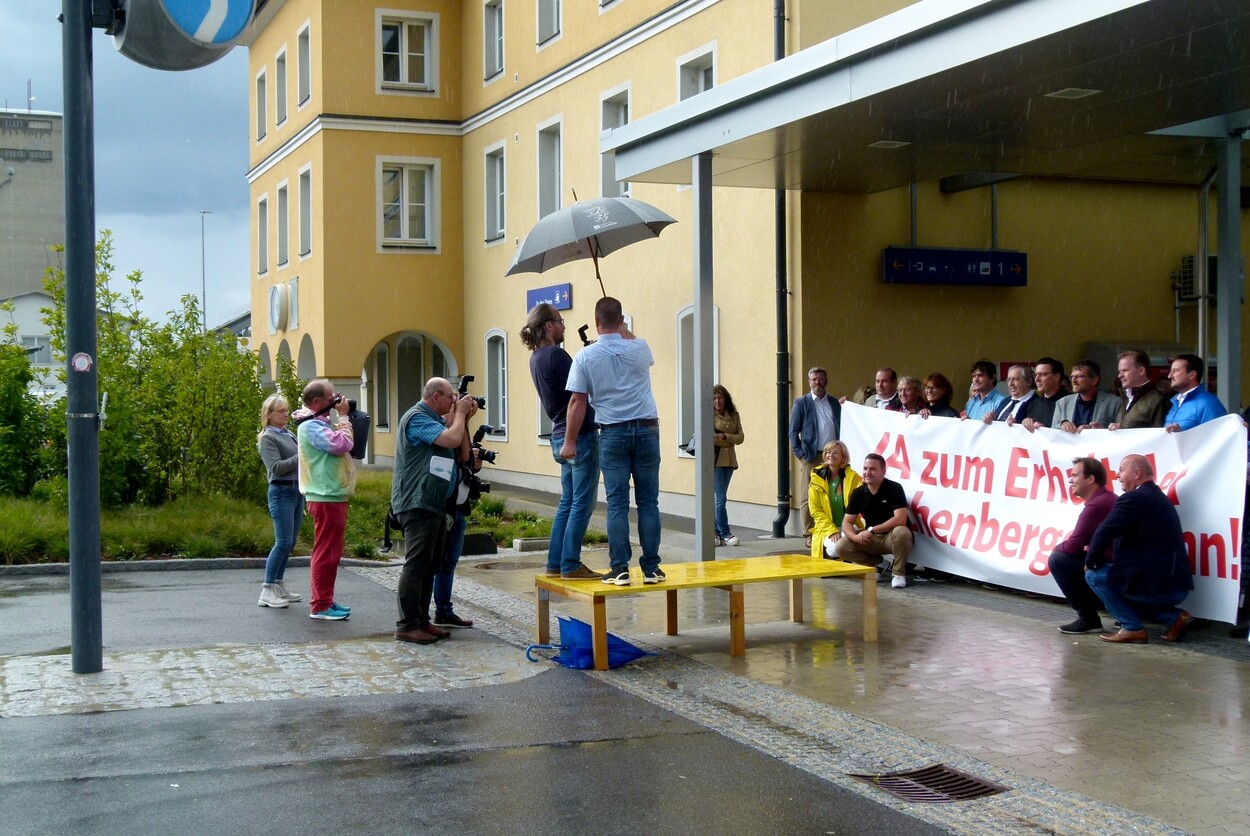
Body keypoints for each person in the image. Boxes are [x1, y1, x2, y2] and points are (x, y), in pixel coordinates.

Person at [563, 296, 663, 586]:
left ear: (595, 323)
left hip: (612, 433)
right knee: (648, 502)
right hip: (647, 430)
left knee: (617, 503)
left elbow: (577, 402)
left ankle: (619, 568)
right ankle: (652, 569)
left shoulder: (585, 357)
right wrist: (622, 327)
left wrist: (570, 441)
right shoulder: (640, 348)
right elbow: (630, 336)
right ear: (621, 321)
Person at [393, 378, 478, 644]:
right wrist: (460, 415)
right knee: (417, 564)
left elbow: (463, 454)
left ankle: (421, 620)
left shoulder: (437, 420)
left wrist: (461, 420)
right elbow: (452, 440)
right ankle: (407, 624)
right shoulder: (417, 418)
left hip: (434, 502)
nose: (454, 401)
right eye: (451, 397)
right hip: (416, 501)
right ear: (435, 396)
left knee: (431, 565)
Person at [521, 303, 601, 580]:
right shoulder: (557, 354)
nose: (564, 325)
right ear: (548, 326)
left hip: (560, 434)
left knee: (567, 502)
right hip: (578, 436)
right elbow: (580, 394)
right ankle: (570, 564)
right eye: (560, 320)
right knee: (582, 503)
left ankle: (556, 564)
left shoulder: (537, 357)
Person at [1086, 455, 1194, 644]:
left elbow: (1104, 531)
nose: (1117, 475)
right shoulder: (1159, 497)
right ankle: (1173, 617)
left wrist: (1091, 561)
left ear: (1137, 473)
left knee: (1094, 576)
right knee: (1118, 582)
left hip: (1157, 587)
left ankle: (1132, 628)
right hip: (1173, 585)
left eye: (1121, 470)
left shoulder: (1133, 498)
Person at [295, 379, 355, 621]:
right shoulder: (310, 427)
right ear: (317, 402)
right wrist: (344, 418)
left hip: (332, 494)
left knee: (332, 552)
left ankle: (326, 600)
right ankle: (320, 605)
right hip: (324, 495)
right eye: (331, 398)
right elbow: (343, 443)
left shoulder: (318, 423)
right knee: (325, 552)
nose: (336, 402)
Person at [1046, 457, 1116, 634]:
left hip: (1115, 567)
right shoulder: (1105, 499)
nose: (1070, 480)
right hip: (1118, 564)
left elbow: (1074, 545)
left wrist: (1056, 548)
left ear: (1091, 479)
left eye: (1075, 475)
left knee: (1058, 559)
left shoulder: (1097, 505)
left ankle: (1088, 618)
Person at [835, 453, 915, 588]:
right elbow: (847, 523)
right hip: (871, 539)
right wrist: (855, 537)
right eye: (865, 468)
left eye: (872, 469)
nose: (867, 472)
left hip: (892, 537)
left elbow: (900, 519)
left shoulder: (895, 488)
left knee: (902, 532)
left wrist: (871, 530)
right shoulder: (858, 493)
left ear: (883, 471)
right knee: (841, 546)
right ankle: (879, 564)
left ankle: (898, 573)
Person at [256, 394, 304, 609]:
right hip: (281, 491)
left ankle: (278, 584)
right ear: (269, 414)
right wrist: (302, 455)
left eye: (287, 410)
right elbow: (275, 467)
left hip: (296, 491)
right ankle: (267, 589)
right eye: (281, 411)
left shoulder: (288, 434)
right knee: (283, 542)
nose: (286, 414)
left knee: (291, 542)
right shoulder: (268, 437)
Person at [431, 432, 482, 630]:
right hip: (442, 510)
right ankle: (420, 617)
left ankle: (443, 611)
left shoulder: (462, 440)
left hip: (459, 510)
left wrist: (474, 461)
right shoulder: (445, 439)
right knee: (434, 563)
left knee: (449, 563)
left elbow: (470, 469)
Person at [789, 367, 840, 544]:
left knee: (833, 493)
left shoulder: (834, 403)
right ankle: (809, 533)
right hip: (812, 455)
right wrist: (801, 454)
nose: (817, 383)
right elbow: (793, 432)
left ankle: (830, 528)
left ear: (826, 380)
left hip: (833, 457)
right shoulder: (801, 403)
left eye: (820, 379)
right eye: (814, 379)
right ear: (809, 382)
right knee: (808, 494)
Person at [809, 441, 862, 560]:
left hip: (849, 526)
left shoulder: (853, 477)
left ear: (844, 456)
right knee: (835, 549)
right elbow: (815, 511)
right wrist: (832, 531)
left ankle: (879, 563)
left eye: (835, 452)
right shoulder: (816, 478)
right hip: (826, 528)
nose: (830, 455)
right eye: (828, 452)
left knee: (856, 543)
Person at [712, 384, 745, 546]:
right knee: (720, 499)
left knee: (720, 497)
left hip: (730, 460)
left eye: (720, 397)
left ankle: (715, 532)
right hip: (714, 460)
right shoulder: (707, 415)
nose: (717, 401)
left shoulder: (734, 415)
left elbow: (741, 438)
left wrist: (725, 436)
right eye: (714, 398)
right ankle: (724, 532)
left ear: (726, 399)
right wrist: (728, 440)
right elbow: (709, 438)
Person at [1164, 353, 1227, 432]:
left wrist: (1182, 434)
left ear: (1192, 375)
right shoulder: (1176, 403)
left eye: (1176, 371)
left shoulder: (1209, 403)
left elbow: (1217, 438)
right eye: (1170, 371)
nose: (1169, 376)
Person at [1052, 360, 1119, 432]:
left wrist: (1099, 430)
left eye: (1079, 376)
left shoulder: (1114, 403)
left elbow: (1121, 432)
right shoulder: (1062, 403)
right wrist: (1063, 424)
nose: (1073, 381)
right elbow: (1053, 432)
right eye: (1072, 377)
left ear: (1094, 380)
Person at [1109, 349, 1168, 429]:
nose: (1120, 375)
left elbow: (1158, 436)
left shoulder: (1157, 400)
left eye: (1125, 370)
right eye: (1120, 371)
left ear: (1141, 371)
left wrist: (1122, 428)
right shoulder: (1125, 397)